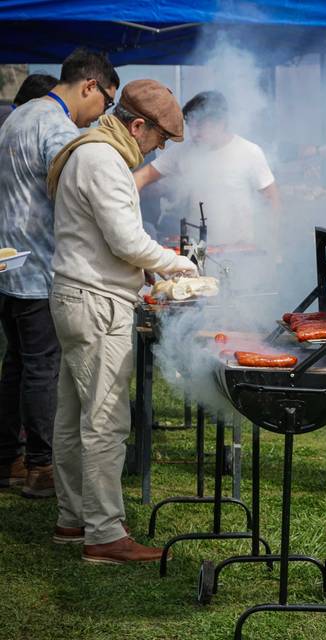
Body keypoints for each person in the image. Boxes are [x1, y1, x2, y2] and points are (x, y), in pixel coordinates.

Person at [47, 79, 197, 563]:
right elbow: (127, 243)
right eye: (158, 140)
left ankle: (73, 520)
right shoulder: (104, 160)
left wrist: (155, 265)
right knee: (106, 423)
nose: (156, 151)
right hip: (97, 302)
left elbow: (123, 239)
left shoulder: (92, 152)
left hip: (79, 295)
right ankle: (105, 535)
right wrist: (179, 266)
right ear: (137, 125)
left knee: (73, 419)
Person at [0, 49, 119, 497]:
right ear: (90, 85)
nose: (101, 114)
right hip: (38, 270)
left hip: (9, 264)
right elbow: (79, 197)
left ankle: (7, 458)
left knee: (16, 367)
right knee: (41, 371)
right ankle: (40, 467)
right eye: (106, 102)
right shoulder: (57, 129)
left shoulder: (19, 114)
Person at [133, 90, 279, 247]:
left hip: (240, 250)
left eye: (200, 126)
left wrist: (273, 247)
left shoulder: (250, 152)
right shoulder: (183, 151)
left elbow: (272, 200)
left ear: (221, 122)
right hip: (197, 248)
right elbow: (143, 176)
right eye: (191, 126)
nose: (194, 133)